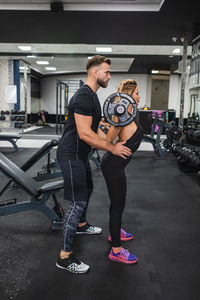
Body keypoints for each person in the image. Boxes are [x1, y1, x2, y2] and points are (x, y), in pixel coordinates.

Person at [56, 56, 132, 274]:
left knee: (88, 189)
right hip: (70, 155)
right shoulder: (82, 97)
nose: (109, 75)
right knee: (78, 202)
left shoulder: (93, 97)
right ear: (94, 72)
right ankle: (64, 256)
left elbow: (98, 133)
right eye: (107, 72)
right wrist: (113, 148)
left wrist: (115, 131)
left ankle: (81, 226)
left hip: (80, 154)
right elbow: (85, 134)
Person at [101, 79, 143, 264]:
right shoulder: (121, 116)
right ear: (129, 95)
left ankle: (115, 233)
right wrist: (115, 118)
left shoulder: (132, 113)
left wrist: (121, 94)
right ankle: (116, 250)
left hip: (117, 165)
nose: (139, 96)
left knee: (118, 204)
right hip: (113, 166)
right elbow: (108, 140)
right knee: (118, 205)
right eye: (136, 93)